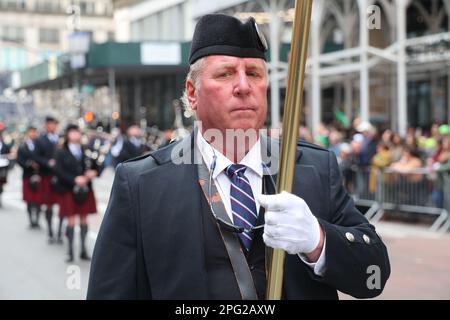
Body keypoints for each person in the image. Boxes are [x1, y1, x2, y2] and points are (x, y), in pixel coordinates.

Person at [88, 14, 390, 300]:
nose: (244, 86)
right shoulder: (142, 185)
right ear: (192, 93)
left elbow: (373, 276)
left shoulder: (313, 169)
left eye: (255, 73)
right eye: (226, 73)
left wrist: (318, 241)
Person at [53, 124, 101, 262]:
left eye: (77, 132)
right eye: (72, 132)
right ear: (67, 135)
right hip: (69, 189)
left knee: (84, 219)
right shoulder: (60, 152)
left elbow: (97, 165)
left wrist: (94, 172)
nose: (75, 135)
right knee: (71, 220)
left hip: (85, 189)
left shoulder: (87, 150)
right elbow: (58, 171)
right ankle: (70, 251)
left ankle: (83, 249)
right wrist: (74, 179)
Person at [34, 116, 63, 243]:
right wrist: (47, 162)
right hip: (46, 175)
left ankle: (60, 232)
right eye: (50, 124)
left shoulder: (61, 139)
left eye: (54, 124)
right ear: (46, 125)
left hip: (61, 176)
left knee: (63, 206)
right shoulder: (40, 140)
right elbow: (36, 156)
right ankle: (51, 231)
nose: (52, 126)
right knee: (49, 206)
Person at [17, 126, 41, 228]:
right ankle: (31, 219)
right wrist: (29, 164)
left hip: (39, 175)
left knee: (39, 199)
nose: (33, 134)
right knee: (29, 200)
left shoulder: (40, 145)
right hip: (27, 175)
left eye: (34, 132)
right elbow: (20, 160)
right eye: (31, 132)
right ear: (27, 133)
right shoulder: (22, 146)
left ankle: (37, 220)